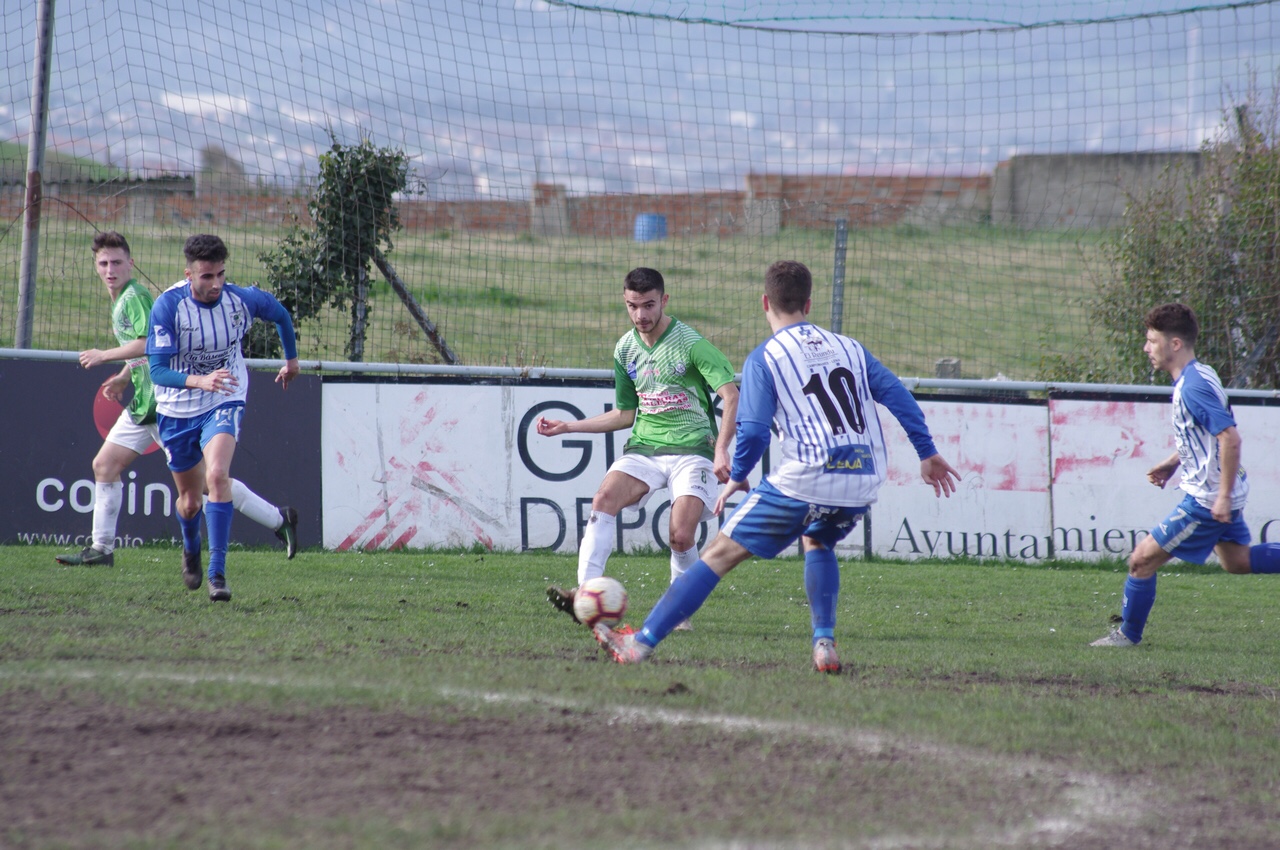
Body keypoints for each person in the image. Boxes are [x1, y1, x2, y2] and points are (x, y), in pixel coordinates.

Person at [593, 260, 960, 672]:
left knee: (717, 555)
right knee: (818, 541)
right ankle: (824, 642)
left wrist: (738, 475)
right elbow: (898, 397)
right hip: (862, 476)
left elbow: (753, 432)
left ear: (765, 302)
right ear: (809, 303)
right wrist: (927, 453)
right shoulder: (850, 348)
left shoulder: (766, 357)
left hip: (808, 476)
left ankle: (639, 644)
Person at [55, 231, 298, 568]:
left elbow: (148, 344)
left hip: (166, 404)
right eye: (104, 263)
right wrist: (125, 376)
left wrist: (104, 355)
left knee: (211, 484)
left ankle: (278, 519)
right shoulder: (121, 299)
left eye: (117, 263)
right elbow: (152, 351)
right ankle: (102, 549)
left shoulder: (134, 298)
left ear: (131, 263)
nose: (110, 270)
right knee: (105, 465)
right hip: (144, 402)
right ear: (95, 266)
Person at [537, 267, 739, 629]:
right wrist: (569, 426)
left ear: (664, 300)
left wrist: (722, 450)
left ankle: (679, 612)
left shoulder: (691, 344)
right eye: (632, 306)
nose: (641, 315)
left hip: (694, 449)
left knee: (681, 535)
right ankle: (584, 595)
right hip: (645, 448)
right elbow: (624, 415)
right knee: (603, 499)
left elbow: (731, 395)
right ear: (625, 302)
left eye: (648, 305)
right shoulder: (625, 348)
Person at [1091, 302, 1280, 647]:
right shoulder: (1201, 374)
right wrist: (1174, 461)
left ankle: (1127, 636)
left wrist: (1221, 497)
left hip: (1207, 499)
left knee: (1141, 561)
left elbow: (1230, 438)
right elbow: (1207, 435)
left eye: (1152, 340)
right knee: (1237, 561)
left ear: (1175, 344)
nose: (1146, 348)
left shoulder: (1192, 388)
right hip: (1222, 489)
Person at [146, 234, 301, 602]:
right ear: (189, 274)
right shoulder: (168, 307)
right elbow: (157, 371)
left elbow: (280, 314)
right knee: (189, 502)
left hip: (224, 397)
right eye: (206, 277)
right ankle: (191, 549)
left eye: (220, 274)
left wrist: (292, 361)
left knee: (217, 476)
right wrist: (200, 380)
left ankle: (218, 575)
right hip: (177, 408)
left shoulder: (240, 300)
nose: (215, 284)